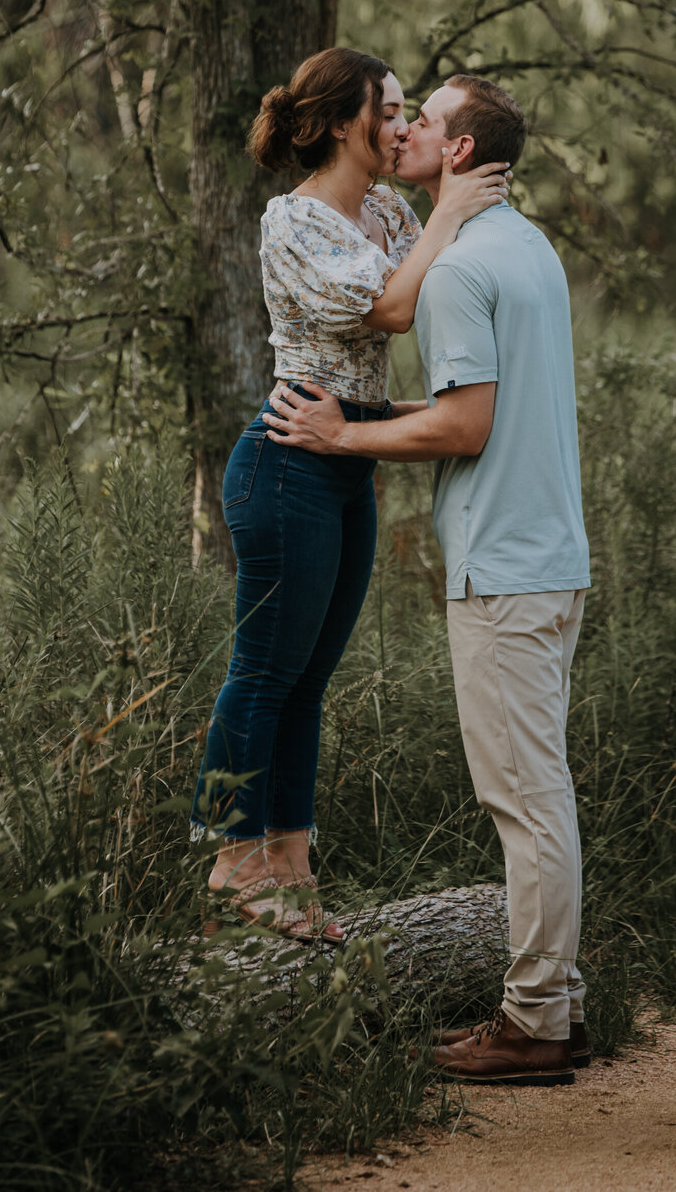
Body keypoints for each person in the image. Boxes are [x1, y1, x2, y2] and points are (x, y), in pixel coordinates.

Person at [263, 74, 592, 1082]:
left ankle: (534, 1020)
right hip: (553, 556)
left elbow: (464, 423)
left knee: (523, 801)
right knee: (544, 792)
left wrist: (340, 431)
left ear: (457, 153)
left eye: (423, 122)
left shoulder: (454, 270)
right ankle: (559, 1004)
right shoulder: (526, 246)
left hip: (500, 563)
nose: (402, 133)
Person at [191, 47, 510, 943]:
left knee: (307, 680)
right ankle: (228, 859)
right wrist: (450, 206)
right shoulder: (290, 222)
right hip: (287, 459)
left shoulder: (387, 208)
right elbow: (394, 311)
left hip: (349, 458)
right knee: (261, 673)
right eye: (391, 109)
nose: (405, 126)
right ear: (341, 122)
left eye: (413, 111)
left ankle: (291, 874)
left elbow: (441, 282)